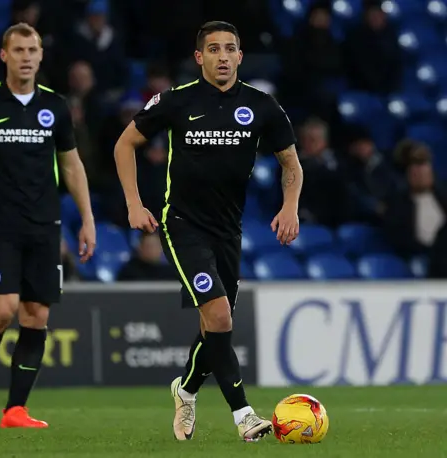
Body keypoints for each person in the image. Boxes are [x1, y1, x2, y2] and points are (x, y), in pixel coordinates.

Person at [114, 21, 303, 442]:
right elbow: (124, 144)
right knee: (218, 315)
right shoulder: (175, 101)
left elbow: (291, 162)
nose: (222, 56)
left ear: (239, 57)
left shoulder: (262, 106)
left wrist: (290, 206)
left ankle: (186, 389)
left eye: (229, 49)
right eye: (213, 49)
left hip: (228, 229)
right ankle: (244, 416)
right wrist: (133, 203)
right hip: (182, 224)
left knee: (213, 326)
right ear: (199, 58)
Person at [0, 23, 96, 429]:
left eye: (33, 50)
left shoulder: (56, 107)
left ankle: (16, 410)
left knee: (35, 315)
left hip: (45, 224)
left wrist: (87, 219)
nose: (26, 57)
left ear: (41, 56)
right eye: (19, 50)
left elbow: (71, 164)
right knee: (2, 309)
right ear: (4, 56)